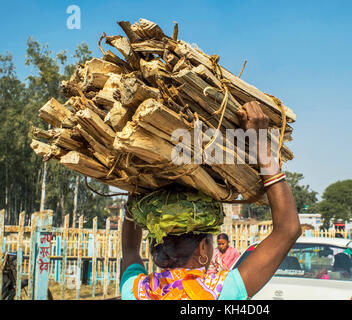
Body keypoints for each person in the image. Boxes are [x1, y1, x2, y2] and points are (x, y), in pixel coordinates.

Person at [119, 101, 301, 300]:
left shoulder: (137, 291)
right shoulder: (220, 292)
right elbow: (288, 229)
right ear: (203, 248)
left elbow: (129, 249)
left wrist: (137, 177)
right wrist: (259, 142)